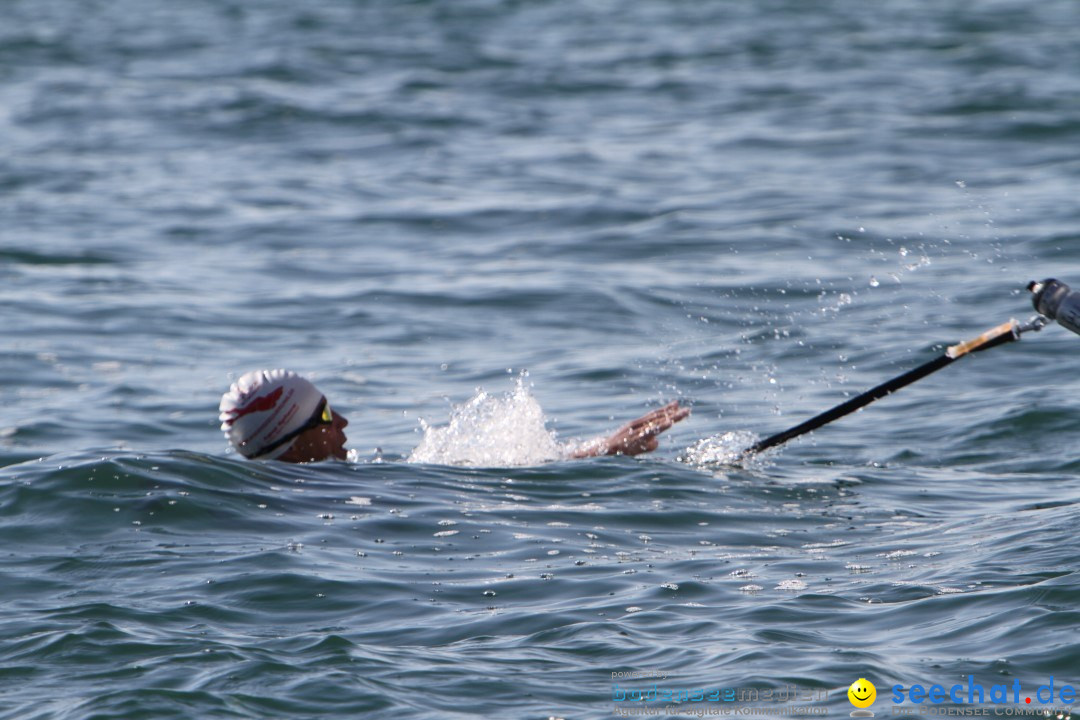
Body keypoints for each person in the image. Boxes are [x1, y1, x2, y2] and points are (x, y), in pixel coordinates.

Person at [219, 369, 689, 464]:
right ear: (295, 441)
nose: (342, 422)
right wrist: (600, 451)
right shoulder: (340, 500)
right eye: (324, 413)